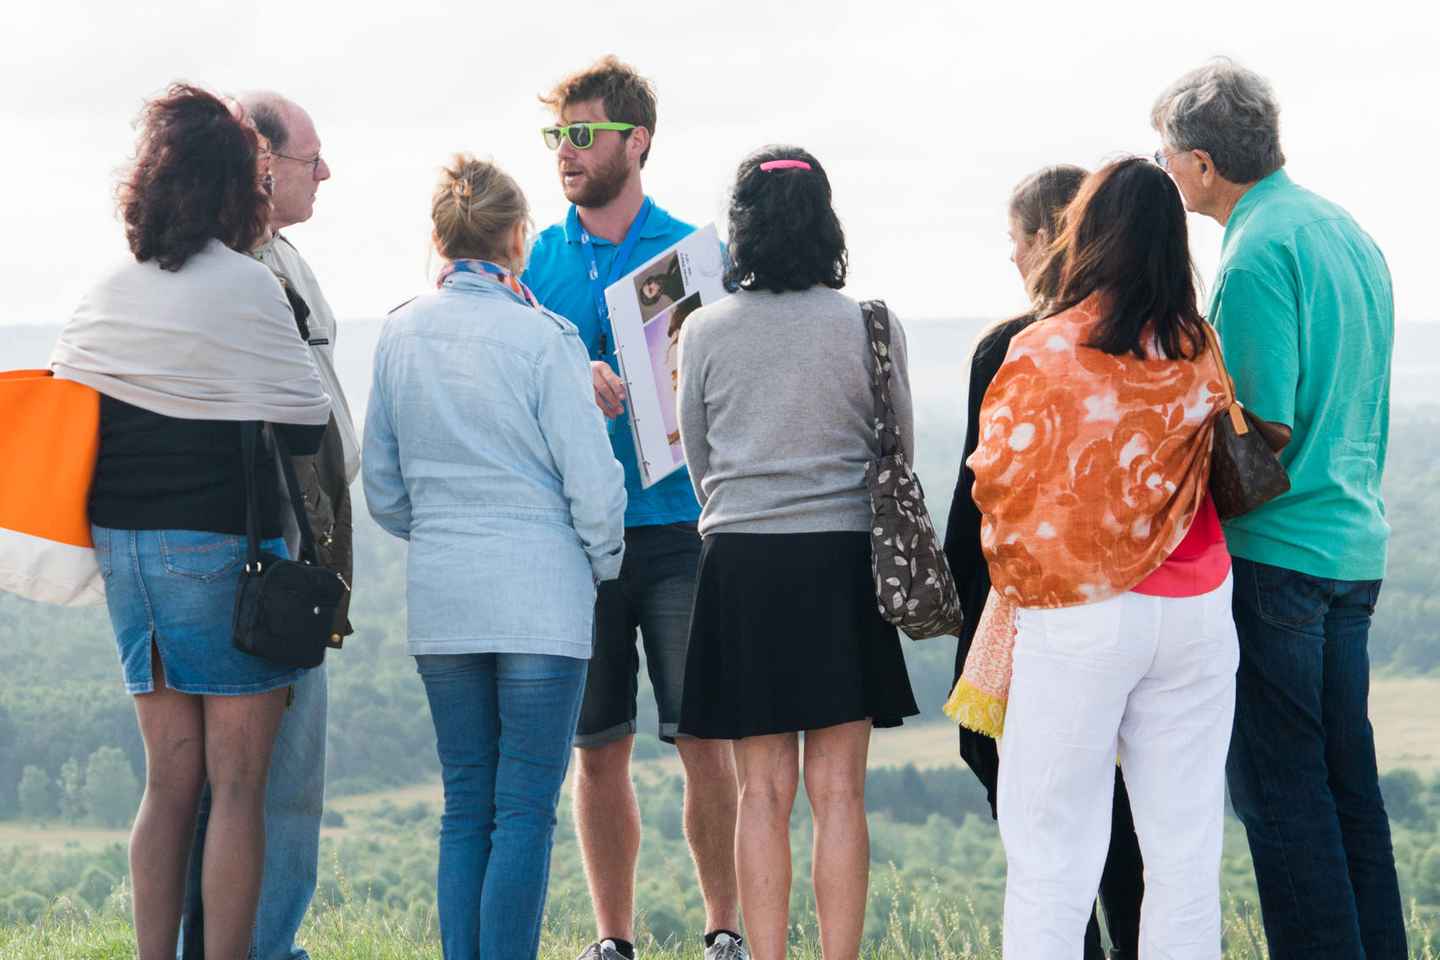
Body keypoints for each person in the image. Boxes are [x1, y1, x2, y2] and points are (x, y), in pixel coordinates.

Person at [49, 83, 331, 960]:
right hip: (221, 554)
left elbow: (69, 415)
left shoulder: (99, 291)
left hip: (124, 558)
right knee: (237, 789)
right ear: (227, 186)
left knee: (167, 786)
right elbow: (306, 424)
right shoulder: (247, 288)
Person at [1152, 59, 1403, 959]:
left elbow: (1265, 428)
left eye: (1169, 152)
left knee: (1282, 795)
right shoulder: (1345, 230)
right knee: (1348, 790)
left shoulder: (1256, 253)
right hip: (1353, 548)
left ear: (1206, 163)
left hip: (1277, 554)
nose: (1165, 167)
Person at [967, 157, 1235, 959]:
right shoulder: (1197, 345)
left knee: (1052, 852)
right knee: (1185, 852)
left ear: (1088, 235)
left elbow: (997, 484)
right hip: (1196, 611)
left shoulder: (1043, 348)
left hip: (1079, 616)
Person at [362, 155, 626, 960]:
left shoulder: (399, 332)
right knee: (523, 810)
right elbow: (593, 486)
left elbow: (382, 485)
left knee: (464, 804)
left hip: (445, 596)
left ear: (438, 237)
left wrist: (441, 529)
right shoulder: (547, 339)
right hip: (541, 597)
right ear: (518, 236)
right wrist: (601, 560)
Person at [521, 56, 744, 960]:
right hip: (580, 539)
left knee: (703, 740)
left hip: (681, 532)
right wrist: (578, 374)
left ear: (635, 141)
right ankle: (613, 942)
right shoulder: (535, 256)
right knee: (598, 748)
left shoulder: (695, 252)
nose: (566, 153)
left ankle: (724, 931)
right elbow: (520, 375)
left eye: (583, 134)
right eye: (557, 137)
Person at [676, 146, 921, 960]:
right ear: (827, 223)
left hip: (743, 568)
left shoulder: (703, 328)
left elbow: (700, 460)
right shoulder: (871, 325)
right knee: (839, 792)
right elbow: (902, 454)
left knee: (761, 793)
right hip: (842, 566)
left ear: (739, 229)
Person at [942, 164, 1144, 960]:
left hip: (1029, 610)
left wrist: (964, 622)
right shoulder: (1149, 334)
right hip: (1136, 603)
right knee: (1125, 812)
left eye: (1017, 240)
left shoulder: (1010, 347)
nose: (1014, 259)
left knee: (1032, 809)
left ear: (1047, 239)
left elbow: (977, 499)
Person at [179, 89, 356, 960]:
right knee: (261, 786)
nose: (324, 172)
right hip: (261, 557)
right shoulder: (232, 273)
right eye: (308, 158)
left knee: (276, 781)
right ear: (261, 163)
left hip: (300, 551)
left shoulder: (286, 257)